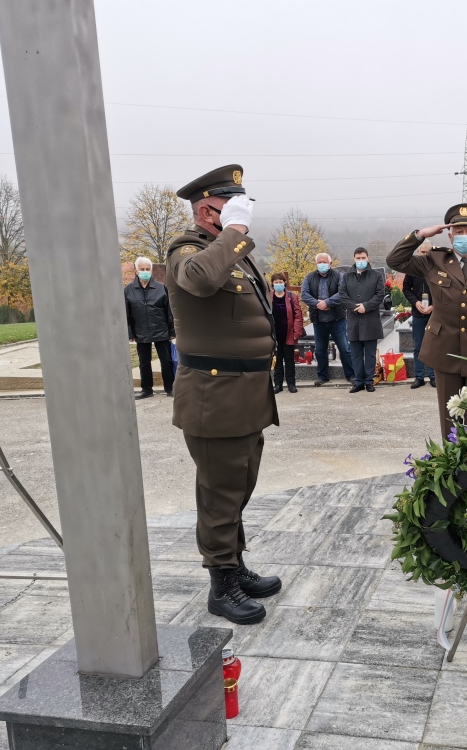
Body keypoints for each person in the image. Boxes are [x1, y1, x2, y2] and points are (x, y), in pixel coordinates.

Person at [167, 164, 282, 626]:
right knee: (219, 494)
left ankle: (234, 566)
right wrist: (233, 231)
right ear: (205, 211)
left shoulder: (231, 252)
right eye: (228, 205)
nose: (240, 212)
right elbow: (199, 280)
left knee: (238, 487)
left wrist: (232, 234)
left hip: (245, 394)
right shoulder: (187, 250)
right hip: (214, 395)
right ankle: (221, 586)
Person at [387, 203, 467, 439]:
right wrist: (420, 235)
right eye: (459, 231)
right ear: (450, 235)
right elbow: (395, 261)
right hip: (444, 347)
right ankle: (452, 458)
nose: (464, 236)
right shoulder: (434, 260)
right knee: (449, 415)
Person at [300, 253, 355, 387]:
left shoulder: (339, 276)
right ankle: (322, 376)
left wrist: (327, 303)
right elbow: (304, 295)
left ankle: (351, 375)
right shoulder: (309, 277)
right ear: (316, 264)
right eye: (319, 262)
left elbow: (342, 293)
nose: (322, 264)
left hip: (337, 319)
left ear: (331, 264)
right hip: (319, 320)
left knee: (345, 349)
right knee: (320, 350)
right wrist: (317, 304)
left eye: (325, 262)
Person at [125, 256, 176, 399]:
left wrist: (172, 331)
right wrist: (130, 333)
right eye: (142, 269)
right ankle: (146, 389)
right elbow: (126, 314)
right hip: (140, 330)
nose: (145, 271)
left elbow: (169, 311)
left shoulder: (161, 288)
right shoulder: (128, 290)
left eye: (148, 269)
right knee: (144, 362)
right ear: (136, 270)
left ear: (151, 270)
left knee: (166, 361)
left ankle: (170, 388)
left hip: (161, 330)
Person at [340, 247, 386, 393]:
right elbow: (342, 295)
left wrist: (366, 306)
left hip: (370, 319)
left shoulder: (376, 275)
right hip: (354, 320)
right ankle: (358, 381)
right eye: (358, 258)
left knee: (370, 354)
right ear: (354, 259)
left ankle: (369, 381)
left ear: (368, 258)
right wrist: (355, 307)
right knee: (356, 354)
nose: (361, 261)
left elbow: (380, 295)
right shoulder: (346, 277)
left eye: (363, 258)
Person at [403, 243, 436, 389]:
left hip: (434, 314)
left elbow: (443, 290)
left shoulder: (437, 268)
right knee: (418, 346)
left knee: (433, 345)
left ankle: (433, 376)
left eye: (427, 252)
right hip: (418, 313)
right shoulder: (412, 269)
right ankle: (419, 377)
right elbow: (406, 289)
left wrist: (434, 305)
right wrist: (416, 302)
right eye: (422, 252)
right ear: (418, 252)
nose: (424, 254)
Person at [270, 272, 304, 393]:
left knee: (289, 360)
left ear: (285, 283)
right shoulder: (268, 296)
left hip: (289, 333)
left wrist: (297, 332)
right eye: (276, 282)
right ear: (272, 284)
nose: (278, 284)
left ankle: (291, 384)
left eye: (280, 282)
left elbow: (298, 315)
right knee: (277, 360)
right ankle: (277, 384)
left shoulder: (292, 296)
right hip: (274, 334)